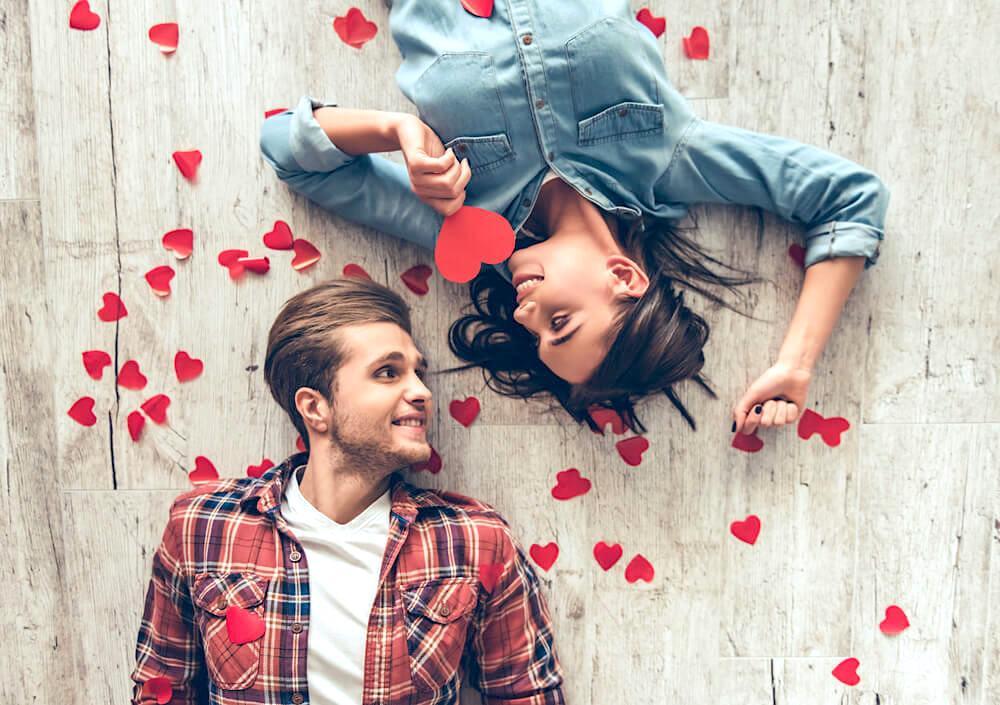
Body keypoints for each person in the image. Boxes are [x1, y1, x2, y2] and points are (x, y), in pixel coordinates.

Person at [259, 0, 890, 437]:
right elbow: (849, 199)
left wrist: (392, 129)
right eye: (560, 322)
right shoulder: (667, 159)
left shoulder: (462, 223)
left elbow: (290, 153)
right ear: (625, 277)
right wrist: (797, 365)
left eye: (536, 336)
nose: (525, 315)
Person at [129, 277, 565, 705]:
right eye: (388, 372)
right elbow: (162, 689)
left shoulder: (473, 540)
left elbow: (526, 693)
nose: (422, 391)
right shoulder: (203, 527)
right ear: (315, 408)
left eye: (418, 372)